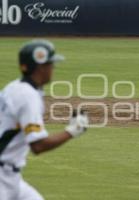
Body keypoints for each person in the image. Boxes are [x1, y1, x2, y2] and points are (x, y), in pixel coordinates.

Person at [0, 40, 89, 200]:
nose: (53, 68)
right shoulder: (28, 96)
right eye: (51, 64)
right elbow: (38, 145)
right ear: (41, 67)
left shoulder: (14, 87)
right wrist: (73, 130)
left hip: (11, 178)